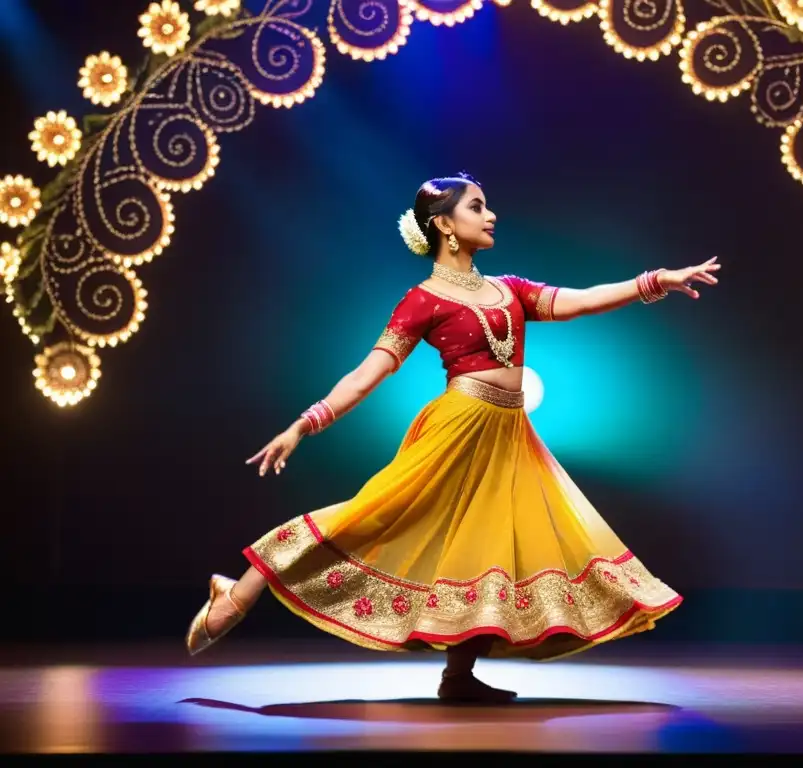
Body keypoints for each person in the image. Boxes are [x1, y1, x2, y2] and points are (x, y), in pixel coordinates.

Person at [185, 173, 720, 703]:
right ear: (444, 224)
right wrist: (303, 424)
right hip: (459, 427)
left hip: (509, 433)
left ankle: (458, 676)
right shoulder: (421, 300)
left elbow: (582, 300)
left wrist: (654, 282)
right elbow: (368, 373)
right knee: (370, 513)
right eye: (478, 207)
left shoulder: (507, 289)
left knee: (483, 549)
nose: (491, 215)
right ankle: (240, 590)